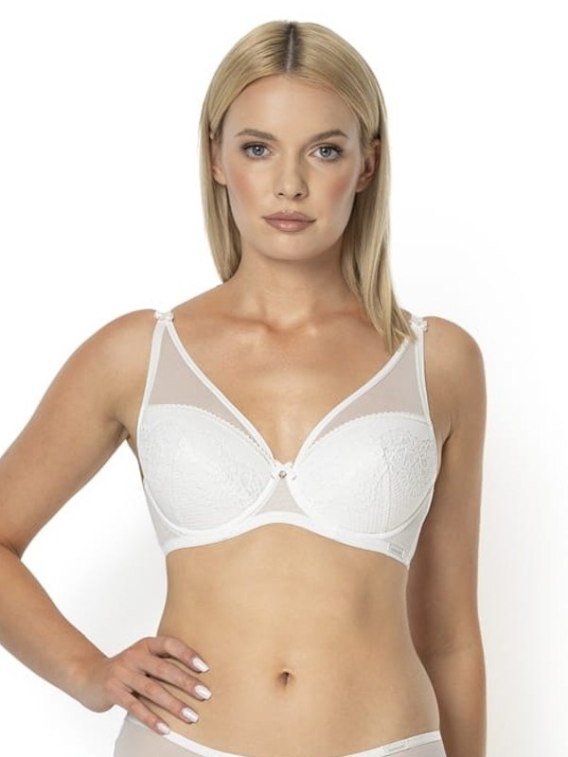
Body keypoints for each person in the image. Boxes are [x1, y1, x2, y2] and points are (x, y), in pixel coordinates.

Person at [0, 19, 487, 757]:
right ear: (217, 158)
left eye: (325, 150)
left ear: (367, 164)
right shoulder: (138, 355)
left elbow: (450, 637)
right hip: (182, 744)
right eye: (258, 148)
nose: (290, 183)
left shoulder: (437, 361)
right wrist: (86, 671)